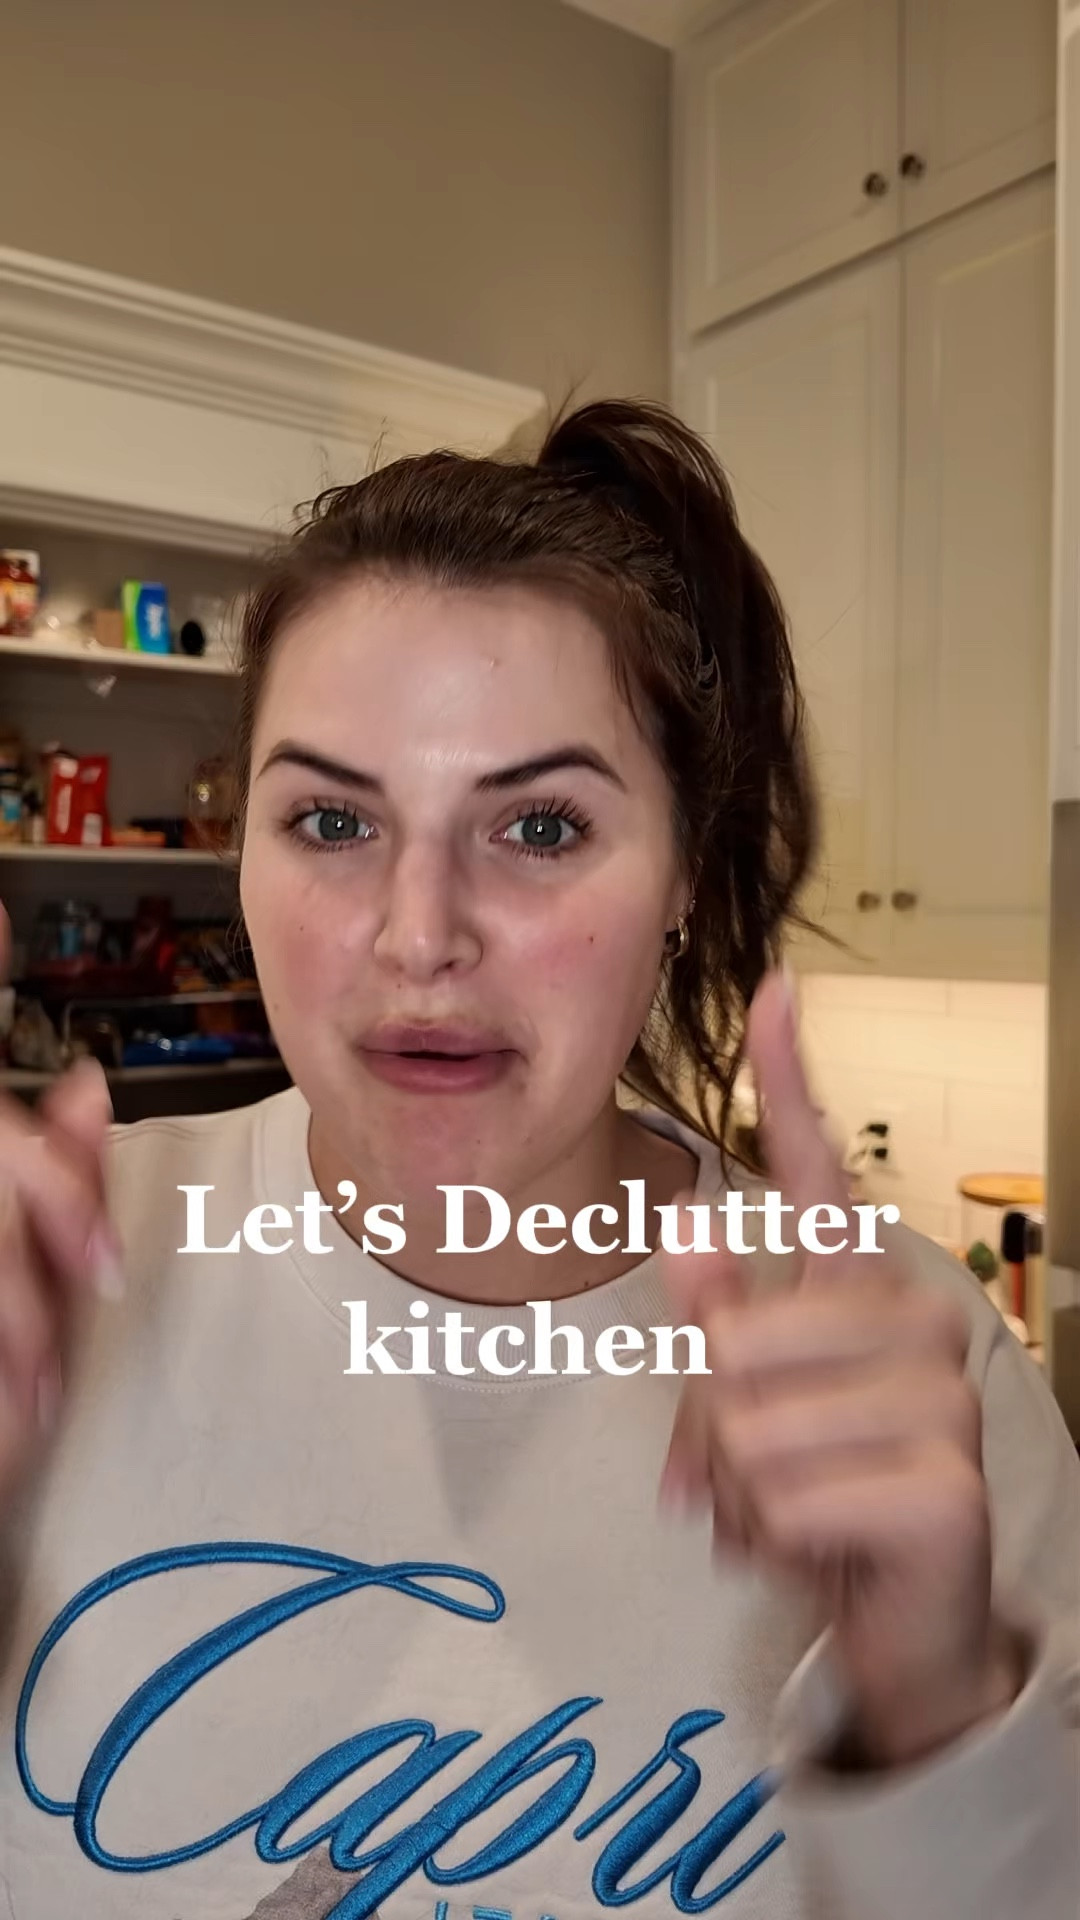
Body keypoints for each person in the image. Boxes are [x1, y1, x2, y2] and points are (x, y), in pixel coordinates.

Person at [0, 400, 1076, 1920]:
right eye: (332, 819)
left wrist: (938, 1719)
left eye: (543, 829)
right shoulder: (59, 1275)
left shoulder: (917, 1375)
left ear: (685, 872)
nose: (419, 935)